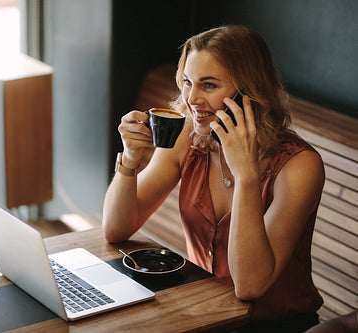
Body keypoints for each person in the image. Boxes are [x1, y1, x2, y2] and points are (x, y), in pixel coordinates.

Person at [102, 25, 325, 332]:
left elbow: (249, 286)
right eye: (187, 82)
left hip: (277, 325)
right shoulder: (188, 138)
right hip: (204, 316)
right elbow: (116, 229)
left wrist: (247, 177)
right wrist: (129, 159)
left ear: (248, 92)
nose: (191, 99)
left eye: (208, 85)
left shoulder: (300, 166)